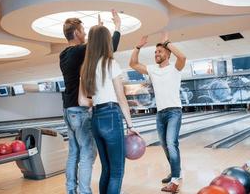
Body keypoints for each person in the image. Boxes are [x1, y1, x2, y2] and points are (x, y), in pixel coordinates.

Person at [59, 10, 121, 194]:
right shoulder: (79, 51)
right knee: (87, 154)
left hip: (68, 109)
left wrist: (98, 30)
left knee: (73, 153)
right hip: (80, 109)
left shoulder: (63, 54)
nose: (85, 34)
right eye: (83, 30)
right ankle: (84, 191)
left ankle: (71, 190)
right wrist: (116, 27)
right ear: (77, 33)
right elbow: (110, 47)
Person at [80, 25, 136, 194]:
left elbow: (83, 101)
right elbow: (121, 98)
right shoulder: (111, 63)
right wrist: (131, 126)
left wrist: (98, 103)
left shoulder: (86, 67)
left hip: (96, 117)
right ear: (106, 42)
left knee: (106, 169)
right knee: (117, 172)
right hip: (111, 116)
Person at [129, 33, 186, 193]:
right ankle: (177, 172)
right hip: (160, 114)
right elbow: (133, 63)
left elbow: (183, 56)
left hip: (174, 111)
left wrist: (167, 43)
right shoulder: (152, 69)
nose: (156, 54)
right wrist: (138, 47)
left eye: (159, 52)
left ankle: (175, 181)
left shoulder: (175, 68)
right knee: (166, 146)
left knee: (171, 144)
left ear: (167, 54)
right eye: (155, 52)